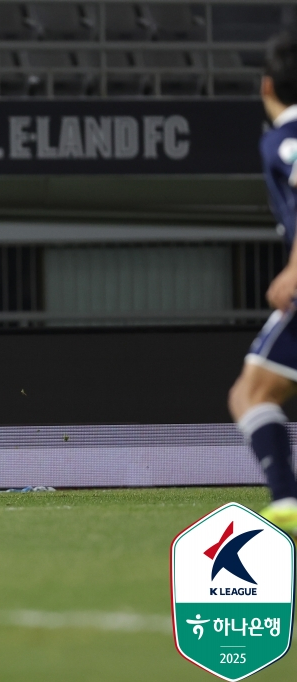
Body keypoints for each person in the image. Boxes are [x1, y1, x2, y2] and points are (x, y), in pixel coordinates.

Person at [228, 28, 297, 534]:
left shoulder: (285, 139)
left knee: (250, 394)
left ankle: (288, 501)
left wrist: (294, 268)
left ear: (266, 85)